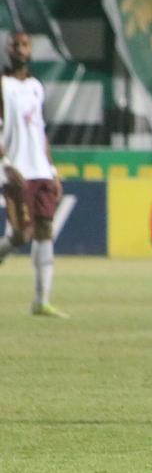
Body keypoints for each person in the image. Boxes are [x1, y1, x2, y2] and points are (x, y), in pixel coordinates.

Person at [0, 32, 66, 318]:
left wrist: (52, 169)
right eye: (16, 44)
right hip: (15, 169)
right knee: (20, 234)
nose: (20, 49)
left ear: (30, 51)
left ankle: (41, 301)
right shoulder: (2, 85)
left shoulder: (37, 87)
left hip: (40, 168)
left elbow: (39, 131)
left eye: (25, 45)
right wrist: (5, 162)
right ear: (7, 49)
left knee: (44, 229)